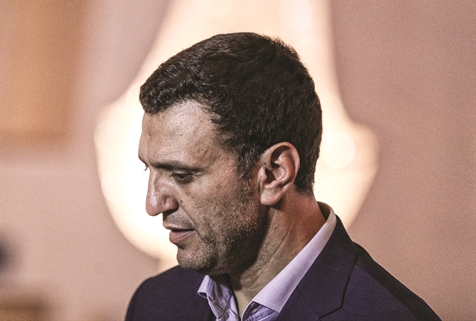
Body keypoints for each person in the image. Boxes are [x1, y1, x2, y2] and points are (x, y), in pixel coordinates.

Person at [125, 33, 440, 321]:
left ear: (274, 173)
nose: (153, 205)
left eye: (182, 175)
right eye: (148, 169)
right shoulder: (154, 303)